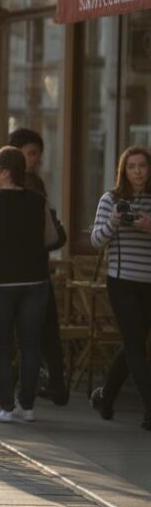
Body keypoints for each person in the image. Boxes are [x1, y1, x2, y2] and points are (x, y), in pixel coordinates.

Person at [0, 146, 57, 423]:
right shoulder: (37, 200)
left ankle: (6, 407)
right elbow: (52, 239)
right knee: (31, 345)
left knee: (2, 345)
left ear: (5, 173)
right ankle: (27, 407)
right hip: (35, 281)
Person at [89, 146, 151, 431]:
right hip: (121, 280)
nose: (137, 171)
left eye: (142, 166)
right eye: (132, 166)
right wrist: (114, 222)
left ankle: (106, 397)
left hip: (148, 283)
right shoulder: (110, 199)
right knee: (136, 346)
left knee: (133, 344)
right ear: (123, 171)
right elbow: (96, 241)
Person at [7, 128, 69, 406]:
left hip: (30, 269)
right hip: (28, 269)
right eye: (31, 153)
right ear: (16, 153)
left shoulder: (32, 184)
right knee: (37, 330)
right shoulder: (16, 183)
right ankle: (51, 383)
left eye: (37, 155)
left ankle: (50, 383)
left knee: (40, 329)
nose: (35, 159)